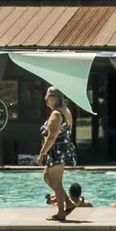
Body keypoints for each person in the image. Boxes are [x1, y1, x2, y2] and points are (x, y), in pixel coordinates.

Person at [39, 86, 78, 220]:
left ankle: (61, 213)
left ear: (55, 98)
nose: (45, 98)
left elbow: (52, 136)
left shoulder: (56, 114)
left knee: (57, 182)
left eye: (48, 95)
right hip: (60, 150)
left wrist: (42, 153)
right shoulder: (65, 110)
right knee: (47, 177)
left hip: (57, 151)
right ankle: (69, 203)